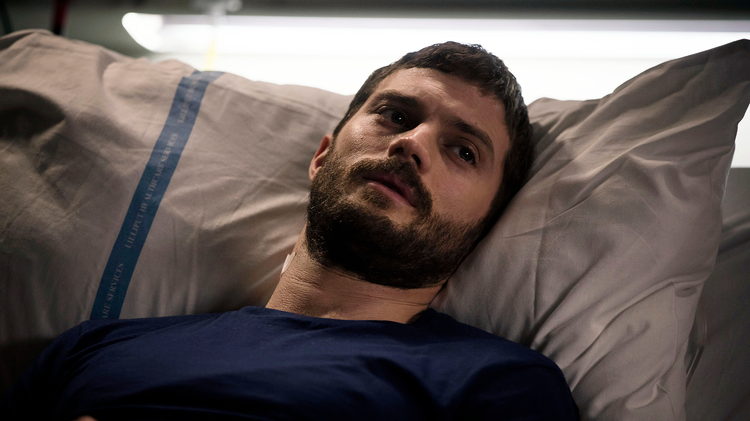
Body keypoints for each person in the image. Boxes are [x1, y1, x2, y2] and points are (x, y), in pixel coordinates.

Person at [1, 42, 579, 420]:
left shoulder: (497, 385)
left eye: (463, 150)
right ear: (323, 157)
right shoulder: (94, 348)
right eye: (396, 116)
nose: (411, 143)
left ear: (485, 225)